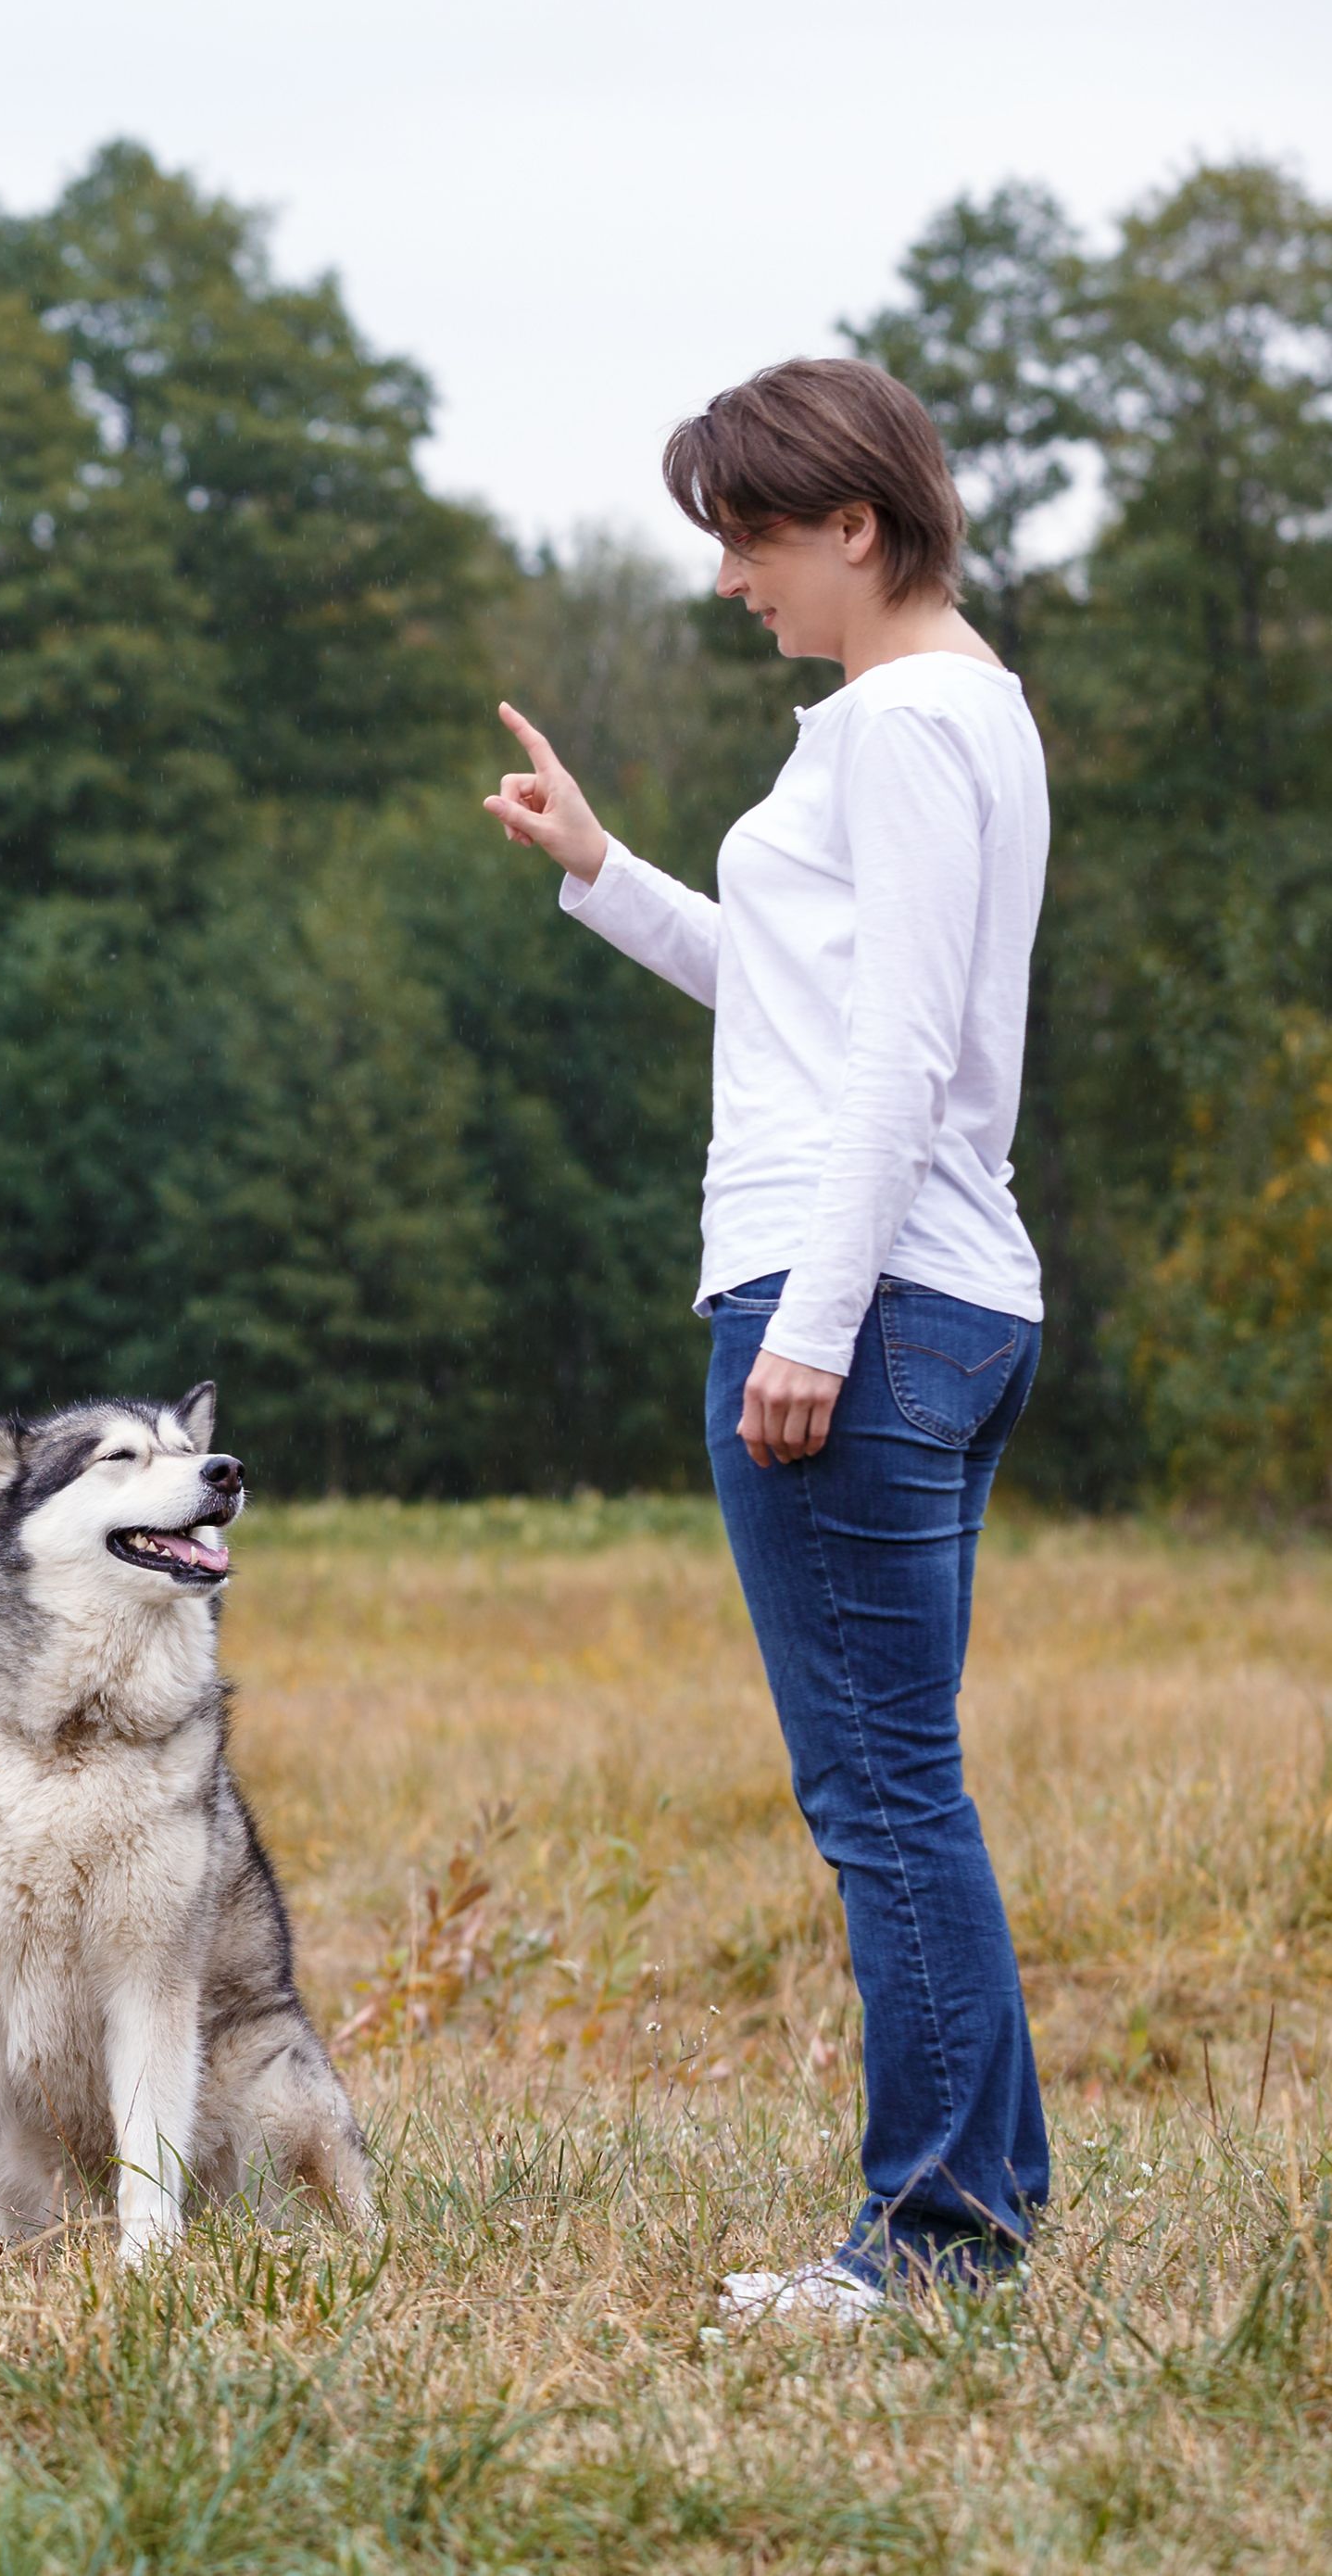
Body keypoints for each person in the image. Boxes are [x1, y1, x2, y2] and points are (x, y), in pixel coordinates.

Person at [482, 358, 1050, 2326]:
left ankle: (936, 2237)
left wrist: (807, 1322)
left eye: (747, 535)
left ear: (853, 525)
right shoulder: (966, 711)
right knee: (911, 1779)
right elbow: (809, 1010)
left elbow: (890, 1056)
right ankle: (983, 2200)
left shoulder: (894, 727)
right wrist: (605, 874)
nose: (733, 580)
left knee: (881, 1791)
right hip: (947, 1298)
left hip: (859, 1304)